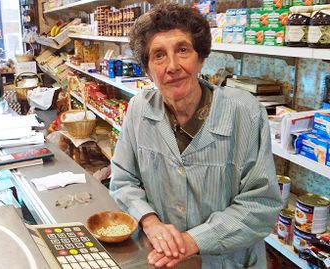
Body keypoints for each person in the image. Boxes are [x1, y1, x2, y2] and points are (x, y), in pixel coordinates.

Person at [109, 3, 282, 268]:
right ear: (147, 69)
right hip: (160, 258)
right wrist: (150, 222)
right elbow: (123, 180)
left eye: (182, 50)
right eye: (158, 55)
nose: (172, 66)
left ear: (201, 57)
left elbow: (260, 206)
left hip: (228, 261)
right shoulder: (139, 109)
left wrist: (193, 240)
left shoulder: (245, 112)